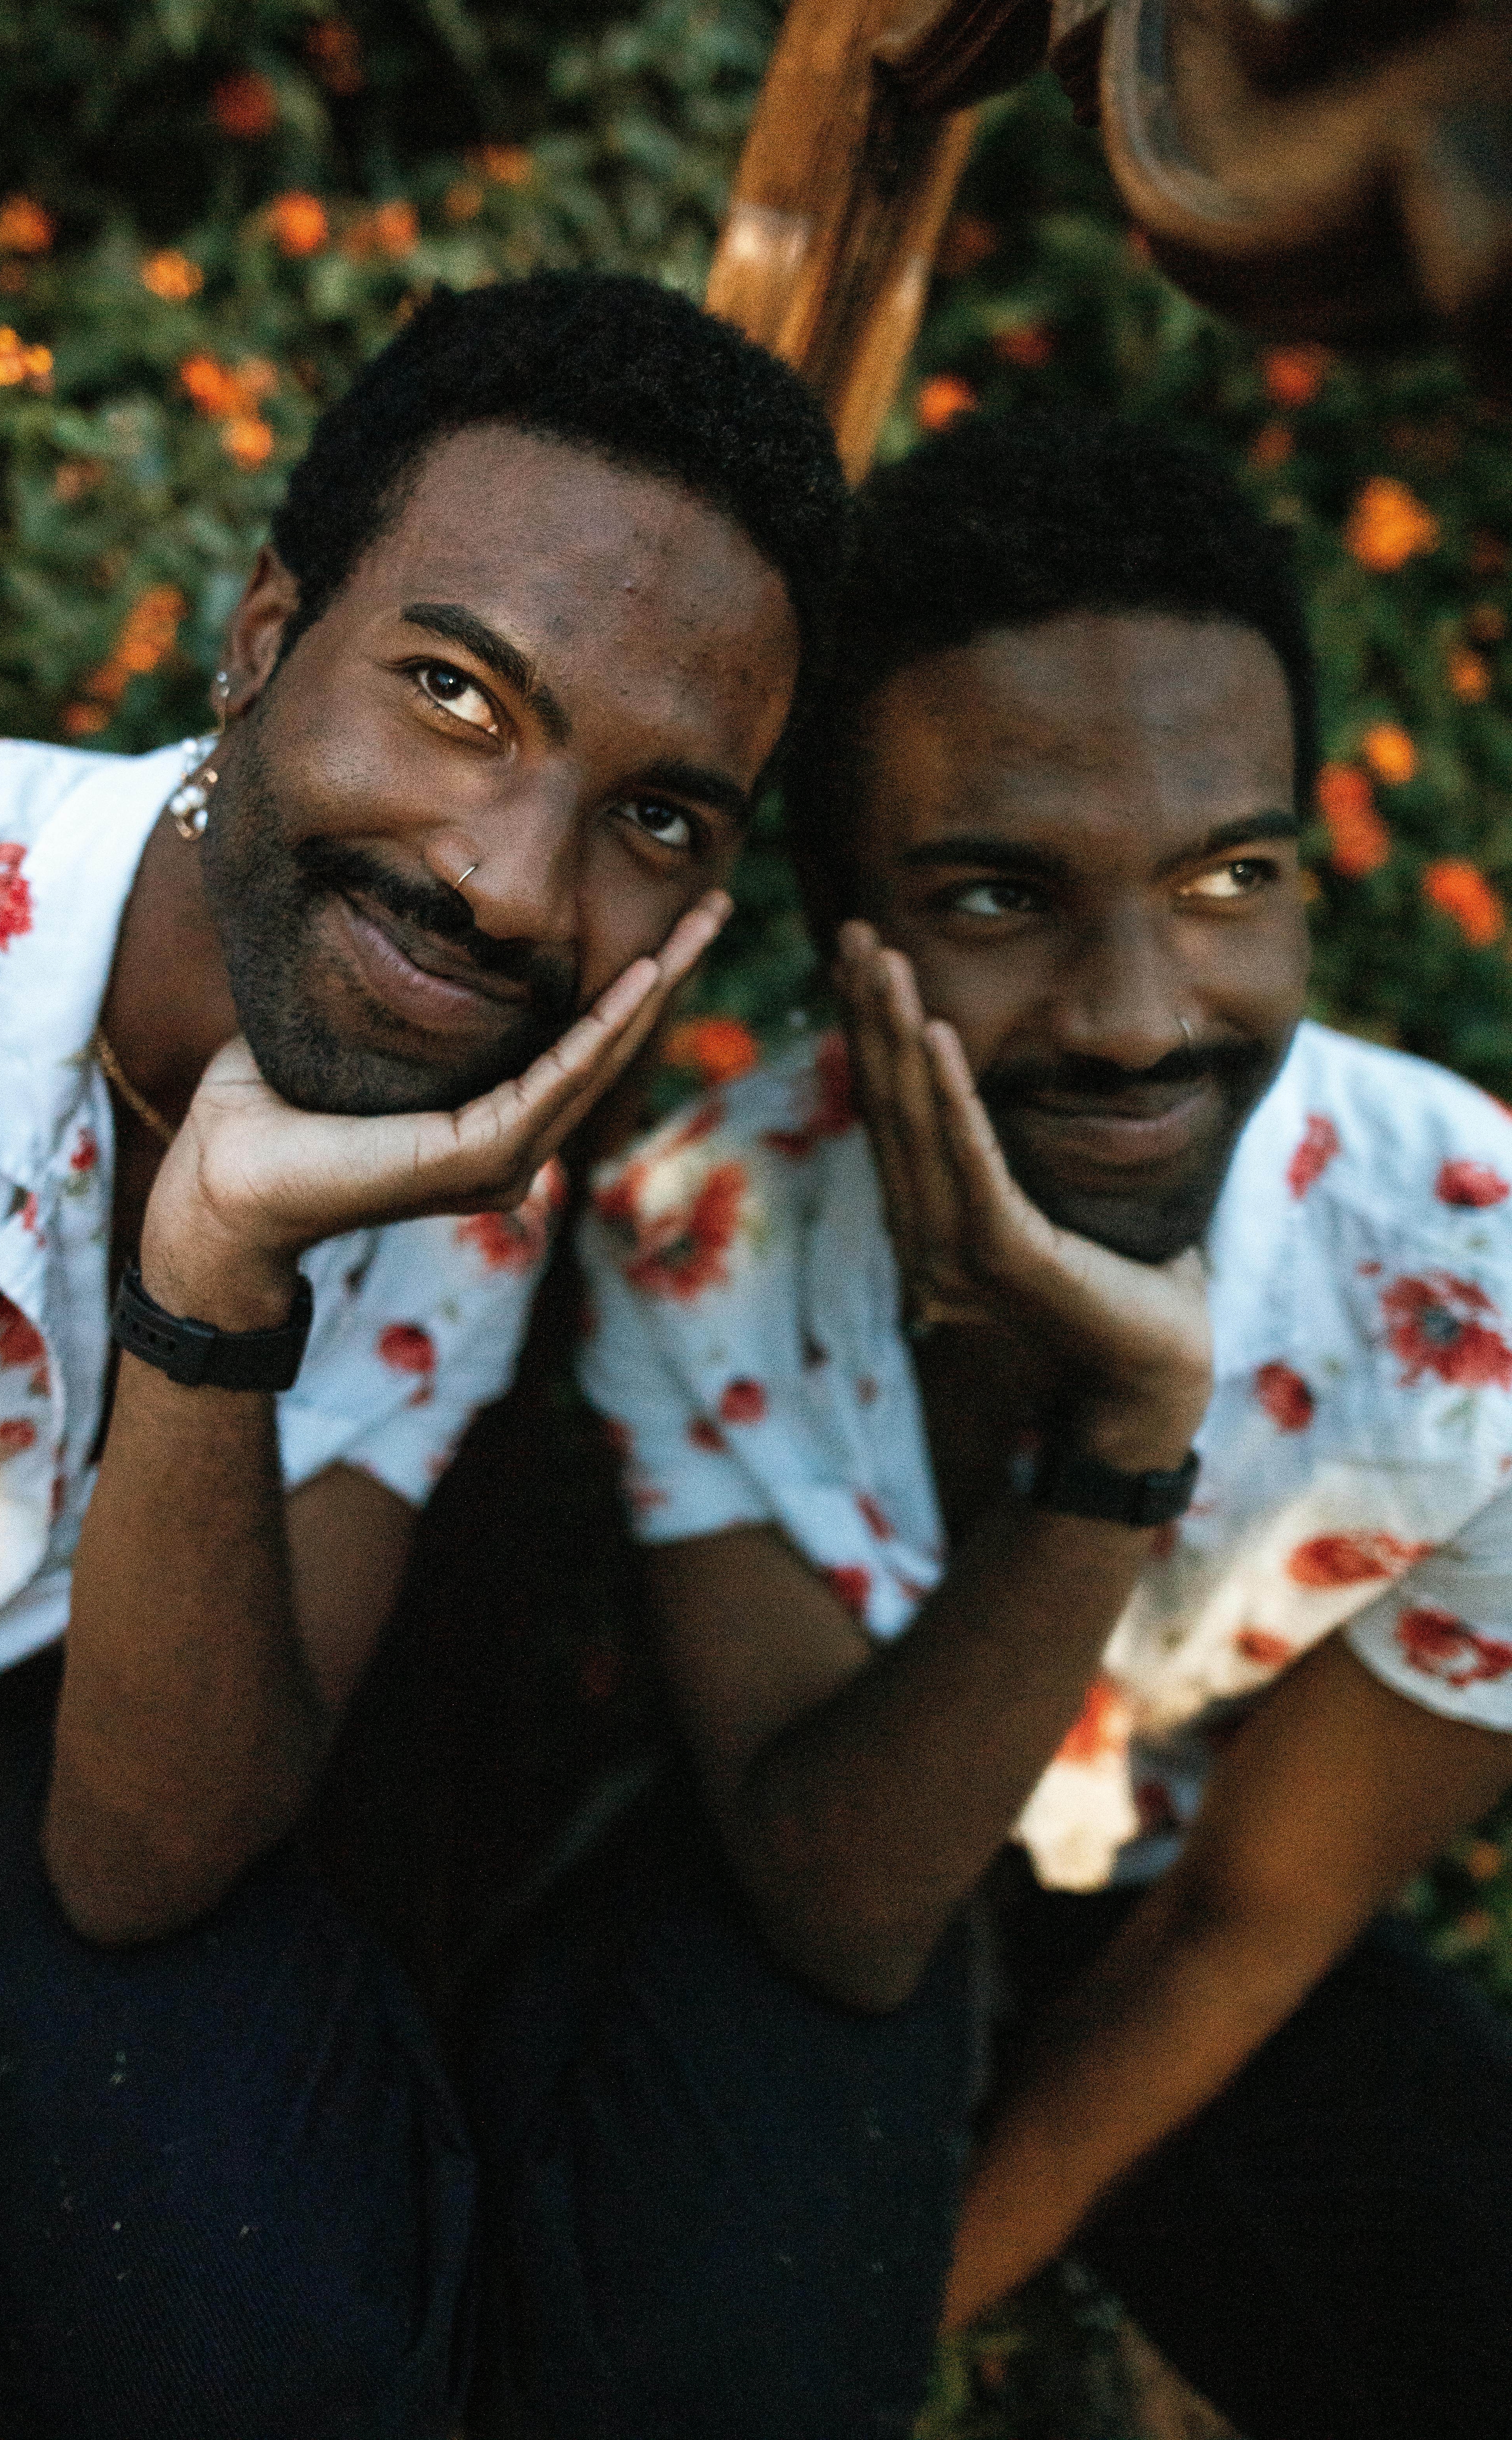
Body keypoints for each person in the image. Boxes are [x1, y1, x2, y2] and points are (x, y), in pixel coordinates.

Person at [0, 270, 846, 2440]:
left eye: (659, 819)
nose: (519, 890)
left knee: (272, 2339)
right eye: (458, 694)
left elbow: (154, 1849)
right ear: (263, 639)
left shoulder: (469, 1141)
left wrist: (223, 1270)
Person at [573, 411, 1512, 2440]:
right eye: (999, 897)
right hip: (831, 1838)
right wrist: (1115, 1439)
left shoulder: (1486, 1307)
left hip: (1181, 1899)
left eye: (1227, 876)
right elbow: (834, 1904)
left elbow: (1247, 1939)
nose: (1136, 1013)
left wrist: (887, 2329)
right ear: (845, 938)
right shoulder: (700, 1240)